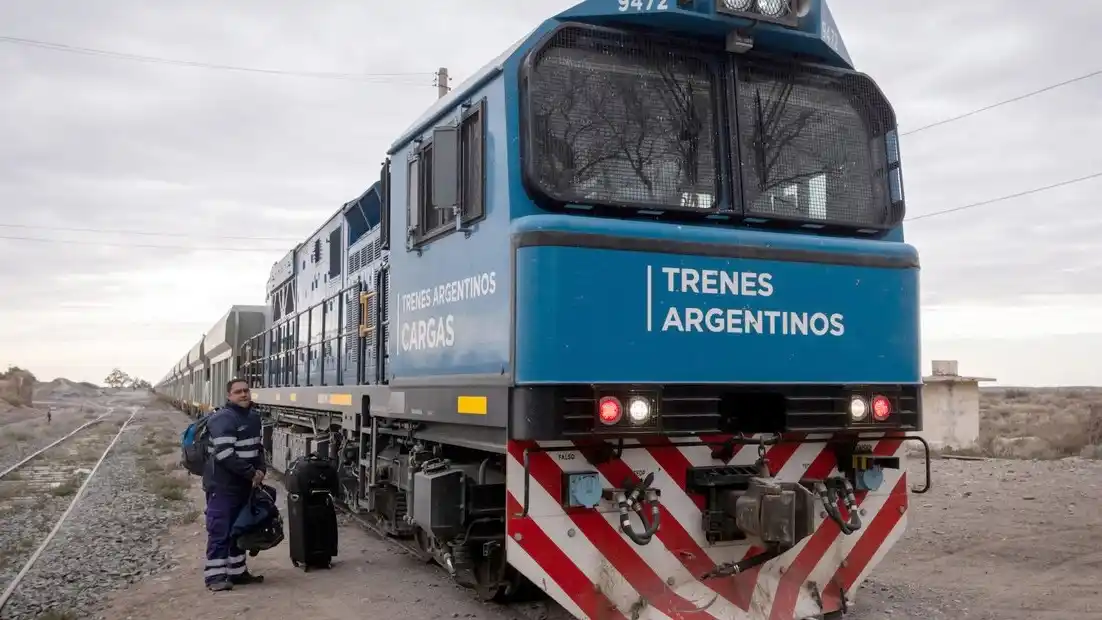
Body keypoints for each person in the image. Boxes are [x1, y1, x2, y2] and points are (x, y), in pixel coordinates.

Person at [202, 378, 266, 591]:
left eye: (246, 390)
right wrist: (251, 473)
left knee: (239, 528)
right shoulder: (223, 418)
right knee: (220, 528)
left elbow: (258, 449)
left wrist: (261, 470)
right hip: (223, 485)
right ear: (229, 396)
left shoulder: (254, 418)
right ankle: (215, 577)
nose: (244, 395)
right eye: (238, 392)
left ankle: (237, 573)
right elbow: (225, 454)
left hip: (243, 485)